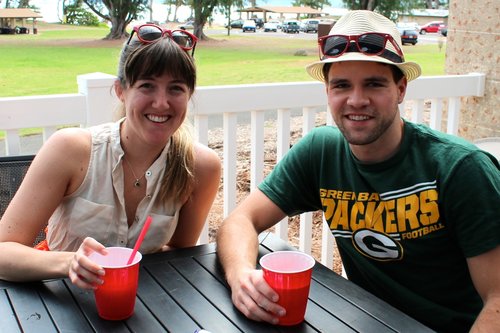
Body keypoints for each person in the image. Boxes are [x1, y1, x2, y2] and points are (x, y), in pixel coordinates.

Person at [216, 10, 500, 333]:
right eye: (341, 85)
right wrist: (241, 277)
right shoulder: (321, 152)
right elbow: (240, 221)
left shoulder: (460, 169)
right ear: (328, 92)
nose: (356, 100)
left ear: (401, 88)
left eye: (374, 84)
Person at [0, 24, 221, 289]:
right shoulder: (71, 150)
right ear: (121, 90)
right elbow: (4, 251)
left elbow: (179, 256)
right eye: (147, 86)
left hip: (143, 304)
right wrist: (70, 263)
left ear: (189, 95)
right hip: (57, 300)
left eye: (175, 89)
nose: (161, 103)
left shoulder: (200, 167)